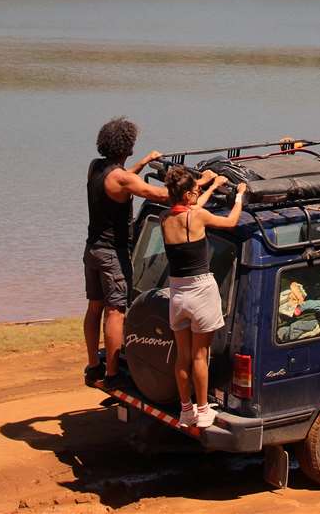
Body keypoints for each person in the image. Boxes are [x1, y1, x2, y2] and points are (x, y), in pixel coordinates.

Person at [84, 118, 169, 390]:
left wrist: (144, 162)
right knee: (116, 311)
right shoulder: (123, 179)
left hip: (92, 250)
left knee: (94, 307)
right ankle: (112, 373)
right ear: (127, 146)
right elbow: (159, 194)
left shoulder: (96, 167)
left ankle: (93, 366)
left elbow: (123, 179)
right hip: (112, 254)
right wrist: (198, 185)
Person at [162, 165, 245, 429]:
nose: (198, 194)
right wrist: (240, 196)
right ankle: (203, 409)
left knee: (183, 356)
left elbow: (194, 210)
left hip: (177, 293)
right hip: (201, 290)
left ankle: (186, 410)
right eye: (195, 191)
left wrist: (208, 186)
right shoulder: (197, 216)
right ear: (187, 195)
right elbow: (230, 222)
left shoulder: (166, 219)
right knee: (201, 355)